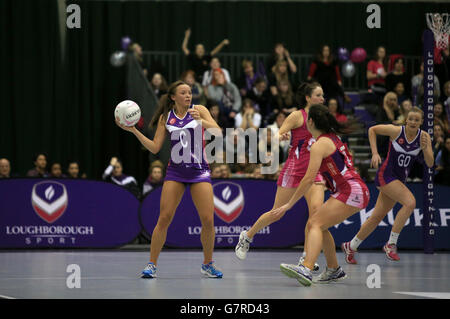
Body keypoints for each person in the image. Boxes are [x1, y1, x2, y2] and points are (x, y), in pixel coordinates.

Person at [115, 80, 223, 278]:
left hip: (199, 171)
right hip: (176, 172)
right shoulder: (167, 117)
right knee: (164, 218)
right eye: (183, 93)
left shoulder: (199, 110)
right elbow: (155, 147)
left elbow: (218, 131)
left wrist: (202, 121)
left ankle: (208, 264)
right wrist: (134, 131)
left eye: (190, 92)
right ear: (173, 97)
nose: (188, 96)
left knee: (208, 220)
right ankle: (151, 265)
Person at [271, 104, 368, 286]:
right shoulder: (331, 138)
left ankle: (307, 268)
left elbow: (308, 179)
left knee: (313, 223)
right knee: (320, 226)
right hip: (352, 189)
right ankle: (333, 269)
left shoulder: (319, 145)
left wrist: (289, 204)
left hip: (351, 190)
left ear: (311, 122)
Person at [235, 82, 326, 271]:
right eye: (318, 95)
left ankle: (306, 259)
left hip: (314, 172)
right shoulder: (297, 115)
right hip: (294, 171)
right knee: (277, 212)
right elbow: (278, 133)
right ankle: (247, 236)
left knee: (316, 215)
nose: (322, 99)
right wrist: (282, 136)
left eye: (323, 95)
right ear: (308, 98)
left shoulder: (323, 118)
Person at [342, 107, 433, 263]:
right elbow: (372, 130)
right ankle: (391, 244)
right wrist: (375, 152)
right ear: (406, 119)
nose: (413, 122)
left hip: (399, 180)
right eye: (410, 118)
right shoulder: (396, 131)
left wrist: (425, 149)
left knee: (377, 217)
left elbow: (430, 163)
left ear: (421, 122)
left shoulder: (424, 137)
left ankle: (351, 245)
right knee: (410, 202)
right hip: (386, 175)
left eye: (416, 120)